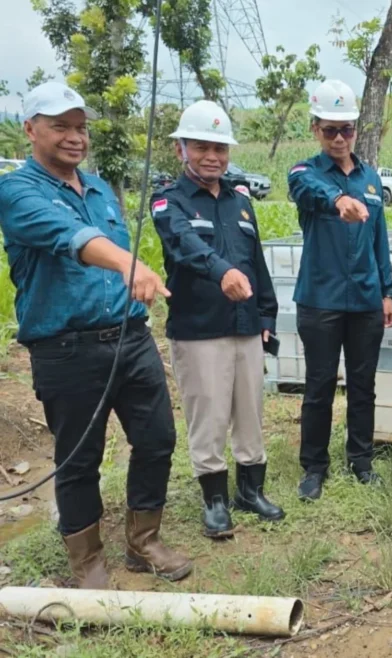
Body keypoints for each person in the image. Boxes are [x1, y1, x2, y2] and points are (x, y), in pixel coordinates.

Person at [0, 81, 192, 587]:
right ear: (31, 129)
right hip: (66, 349)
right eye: (60, 126)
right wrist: (132, 265)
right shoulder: (18, 190)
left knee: (157, 440)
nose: (73, 137)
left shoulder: (102, 189)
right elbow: (74, 238)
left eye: (80, 127)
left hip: (130, 339)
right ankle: (87, 564)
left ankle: (143, 542)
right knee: (79, 458)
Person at [150, 100, 285, 539]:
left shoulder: (239, 202)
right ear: (180, 149)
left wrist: (267, 314)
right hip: (199, 329)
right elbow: (184, 245)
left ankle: (251, 490)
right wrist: (220, 271)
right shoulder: (167, 201)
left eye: (220, 148)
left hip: (246, 325)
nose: (213, 156)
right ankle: (214, 500)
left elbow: (256, 262)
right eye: (202, 146)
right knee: (207, 414)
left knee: (249, 410)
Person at [288, 80, 392, 501]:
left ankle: (361, 461)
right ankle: (314, 467)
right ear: (315, 128)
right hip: (320, 299)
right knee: (318, 385)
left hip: (366, 299)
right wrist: (336, 199)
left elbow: (379, 239)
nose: (338, 138)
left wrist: (387, 291)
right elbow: (305, 188)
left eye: (346, 129)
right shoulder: (305, 173)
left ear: (355, 129)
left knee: (363, 384)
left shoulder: (371, 179)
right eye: (329, 129)